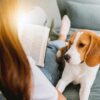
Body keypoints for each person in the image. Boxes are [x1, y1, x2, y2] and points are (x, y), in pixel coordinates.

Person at [0, 0, 70, 100]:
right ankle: (61, 39)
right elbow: (60, 98)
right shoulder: (19, 71)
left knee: (39, 13)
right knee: (52, 53)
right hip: (26, 65)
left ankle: (47, 40)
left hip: (17, 43)